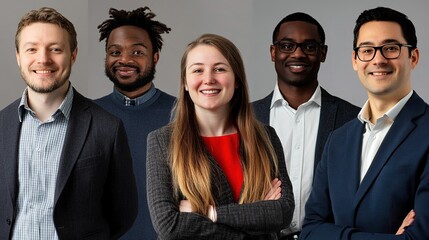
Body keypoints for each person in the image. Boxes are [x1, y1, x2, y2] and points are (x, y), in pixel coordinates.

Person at [0, 7, 137, 239]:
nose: (43, 59)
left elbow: (123, 215)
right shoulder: (1, 125)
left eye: (55, 49)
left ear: (73, 55)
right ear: (18, 56)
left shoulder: (108, 128)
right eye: (31, 49)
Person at [146, 33, 294, 239]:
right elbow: (169, 226)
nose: (208, 79)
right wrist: (255, 221)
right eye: (198, 70)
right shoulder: (162, 141)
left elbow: (282, 213)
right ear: (185, 83)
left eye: (220, 69)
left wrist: (209, 212)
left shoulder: (266, 137)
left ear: (237, 80)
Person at [301, 6, 429, 239]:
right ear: (355, 60)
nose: (378, 60)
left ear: (413, 57)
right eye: (367, 50)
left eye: (391, 48)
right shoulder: (338, 140)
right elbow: (309, 229)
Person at [252, 12, 360, 240]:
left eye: (309, 46)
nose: (298, 53)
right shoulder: (245, 118)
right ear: (273, 52)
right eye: (287, 45)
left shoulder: (353, 119)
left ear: (323, 53)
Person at [94, 7, 176, 240]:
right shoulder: (85, 115)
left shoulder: (184, 114)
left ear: (155, 57)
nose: (125, 60)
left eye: (137, 52)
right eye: (115, 51)